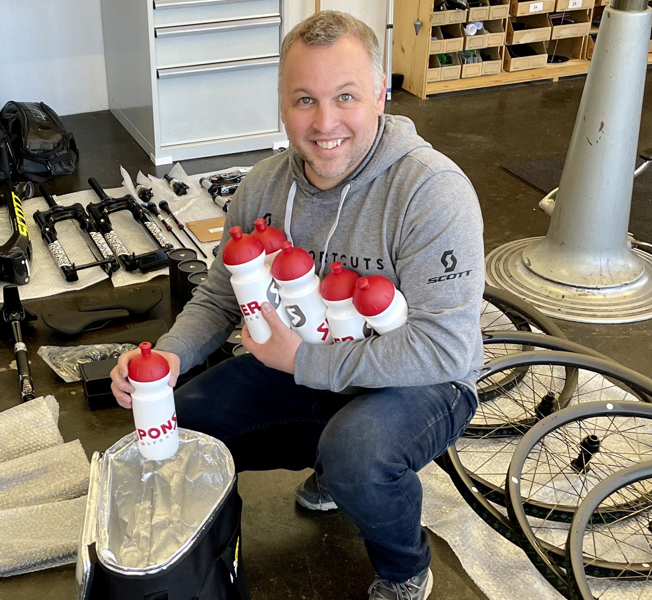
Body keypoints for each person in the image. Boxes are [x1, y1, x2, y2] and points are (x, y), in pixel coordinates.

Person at [110, 10, 484, 600]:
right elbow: (219, 295)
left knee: (357, 452)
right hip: (303, 365)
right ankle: (329, 466)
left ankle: (405, 565)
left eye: (346, 97)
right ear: (282, 104)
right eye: (304, 99)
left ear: (380, 95)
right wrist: (172, 358)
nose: (325, 121)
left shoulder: (431, 191)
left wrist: (305, 363)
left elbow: (447, 348)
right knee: (180, 422)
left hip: (421, 383)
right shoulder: (262, 185)